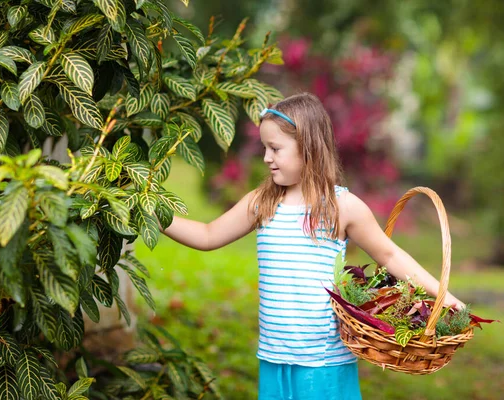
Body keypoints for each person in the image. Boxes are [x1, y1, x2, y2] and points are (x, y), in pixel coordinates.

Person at [163, 92, 465, 400]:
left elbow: (390, 254)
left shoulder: (341, 206)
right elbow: (208, 235)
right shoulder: (262, 202)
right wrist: (152, 214)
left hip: (323, 362)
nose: (266, 157)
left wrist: (446, 297)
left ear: (308, 148)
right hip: (274, 356)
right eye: (265, 148)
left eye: (275, 148)